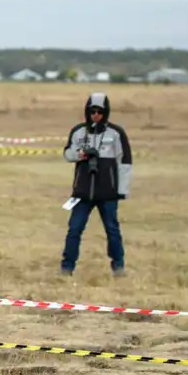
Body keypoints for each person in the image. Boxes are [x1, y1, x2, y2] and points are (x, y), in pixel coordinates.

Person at [60, 92, 132, 277]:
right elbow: (67, 154)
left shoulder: (116, 134)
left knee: (112, 230)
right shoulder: (78, 132)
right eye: (92, 111)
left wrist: (122, 190)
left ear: (106, 112)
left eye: (100, 112)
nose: (96, 115)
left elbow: (124, 163)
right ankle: (67, 267)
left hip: (108, 192)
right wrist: (80, 154)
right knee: (74, 229)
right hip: (82, 192)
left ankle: (118, 266)